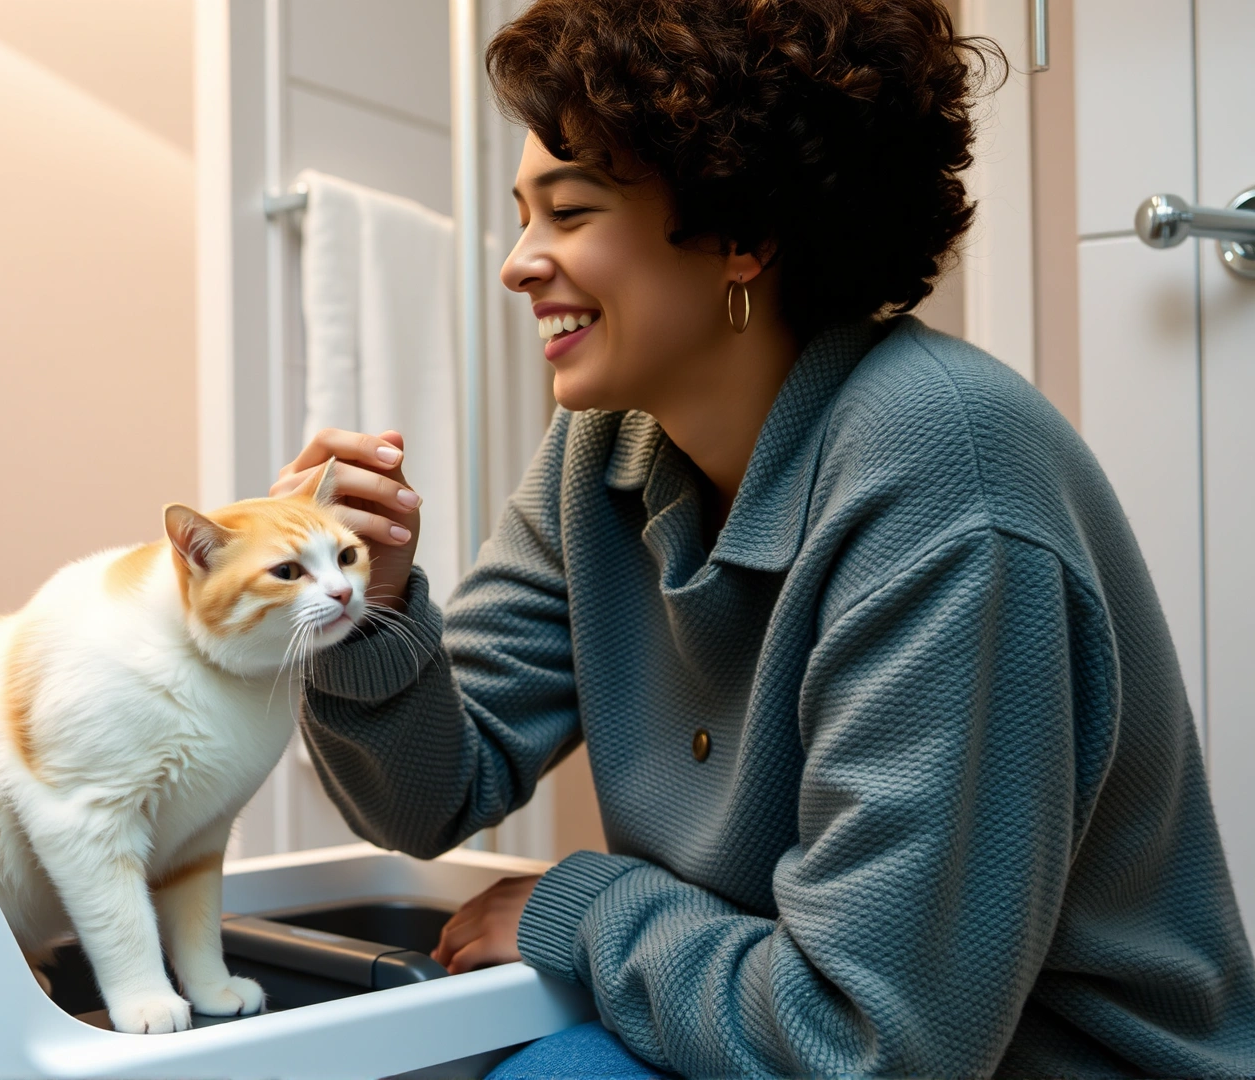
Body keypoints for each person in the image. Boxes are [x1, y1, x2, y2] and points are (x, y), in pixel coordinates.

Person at [270, 0, 1255, 1075]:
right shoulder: (601, 449)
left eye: (570, 211)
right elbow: (426, 795)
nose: (517, 263)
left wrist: (585, 904)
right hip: (751, 1033)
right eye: (522, 215)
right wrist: (361, 606)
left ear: (742, 233)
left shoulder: (943, 478)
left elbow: (874, 1045)